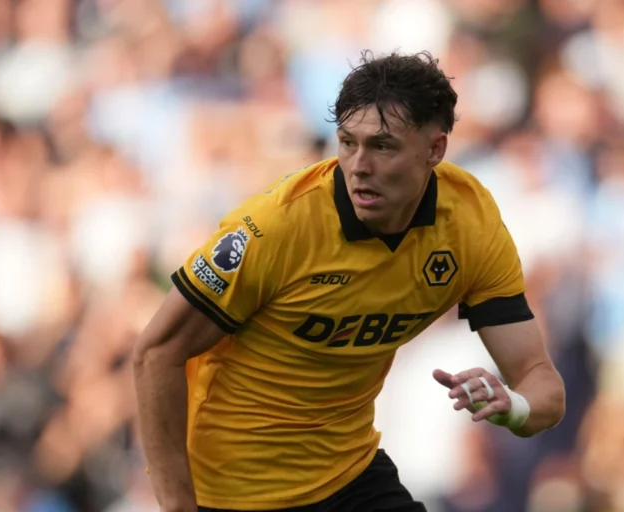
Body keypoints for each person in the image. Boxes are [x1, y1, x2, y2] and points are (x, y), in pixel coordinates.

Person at [133, 51, 566, 512]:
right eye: (347, 142)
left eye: (383, 146)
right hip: (235, 492)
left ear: (435, 149)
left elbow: (542, 385)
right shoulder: (276, 228)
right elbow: (155, 353)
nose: (359, 165)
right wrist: (178, 507)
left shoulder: (470, 224)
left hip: (349, 476)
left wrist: (514, 406)